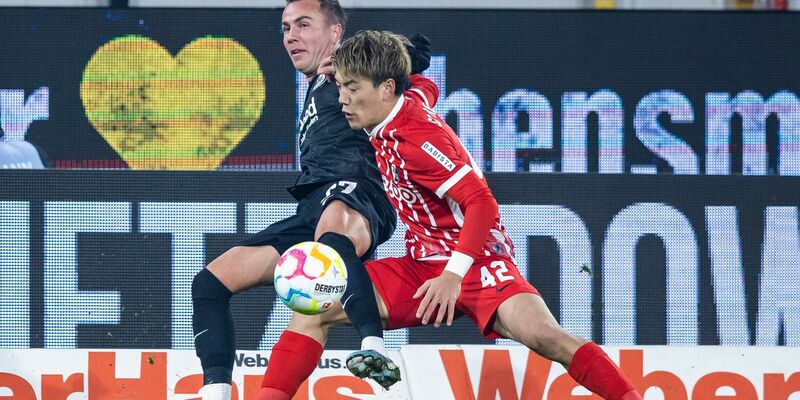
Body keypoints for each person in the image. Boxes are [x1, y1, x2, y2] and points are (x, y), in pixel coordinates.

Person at [256, 30, 643, 400]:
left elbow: (482, 204)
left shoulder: (418, 139)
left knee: (547, 337)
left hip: (476, 263)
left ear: (386, 89)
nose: (342, 99)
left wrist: (453, 276)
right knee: (313, 306)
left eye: (352, 88)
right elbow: (425, 86)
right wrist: (348, 69)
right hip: (422, 266)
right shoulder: (403, 102)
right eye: (340, 86)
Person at [191, 2, 431, 398]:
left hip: (359, 191)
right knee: (210, 282)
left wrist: (348, 62)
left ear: (336, 33)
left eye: (304, 24)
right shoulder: (317, 84)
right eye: (285, 27)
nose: (291, 36)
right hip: (312, 206)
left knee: (332, 239)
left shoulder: (351, 67)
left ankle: (373, 348)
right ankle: (215, 390)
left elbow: (416, 51)